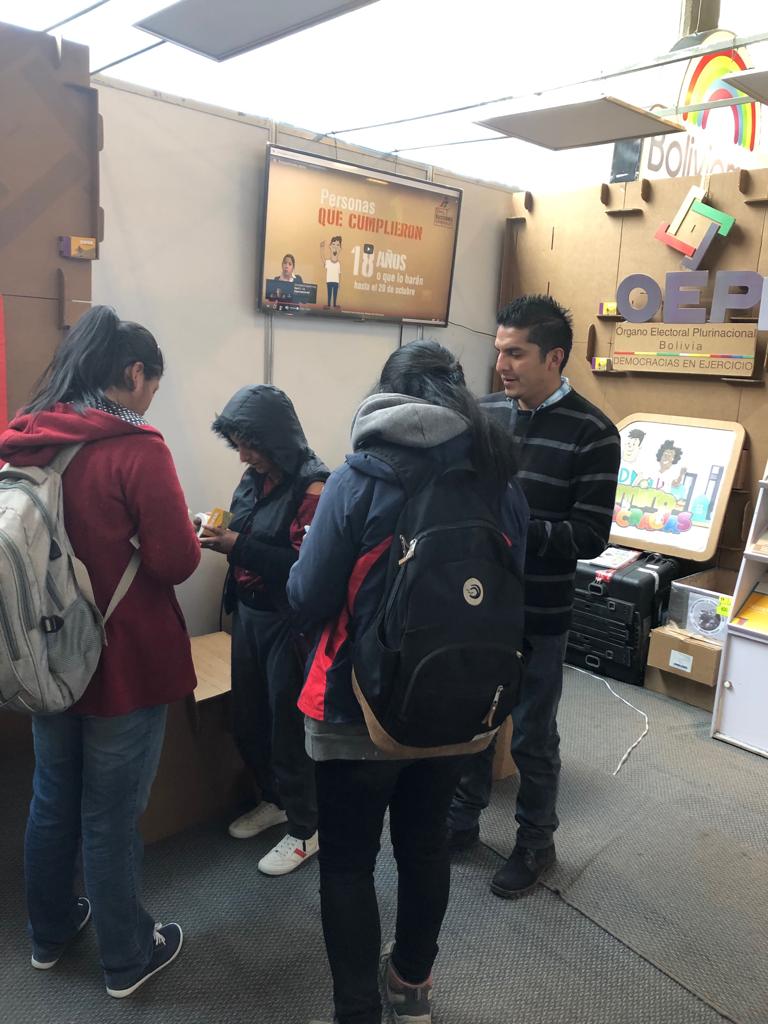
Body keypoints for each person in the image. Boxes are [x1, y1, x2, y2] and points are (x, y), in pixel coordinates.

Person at [287, 341, 528, 1024]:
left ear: (387, 395)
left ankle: (357, 1010)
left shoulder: (359, 477)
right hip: (460, 703)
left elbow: (307, 595)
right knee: (425, 846)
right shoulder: (501, 481)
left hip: (356, 705)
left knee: (348, 862)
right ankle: (411, 988)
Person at [0, 305, 200, 996]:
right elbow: (175, 561)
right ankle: (126, 958)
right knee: (110, 817)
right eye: (152, 386)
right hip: (122, 662)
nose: (150, 401)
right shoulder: (137, 450)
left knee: (52, 798)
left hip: (44, 657)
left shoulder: (27, 437)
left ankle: (50, 934)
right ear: (134, 372)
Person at [447, 295, 620, 899]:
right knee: (472, 720)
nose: (501, 365)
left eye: (516, 353)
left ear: (554, 357)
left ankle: (535, 842)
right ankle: (462, 819)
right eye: (499, 351)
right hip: (478, 604)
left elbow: (590, 536)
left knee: (532, 736)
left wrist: (515, 533)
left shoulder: (595, 433)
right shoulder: (484, 413)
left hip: (541, 612)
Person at [202, 385, 328, 875]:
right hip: (249, 613)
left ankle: (306, 827)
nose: (243, 456)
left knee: (287, 726)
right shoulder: (254, 477)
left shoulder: (314, 486)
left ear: (276, 438)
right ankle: (275, 800)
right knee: (248, 718)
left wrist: (234, 544)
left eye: (250, 445)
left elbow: (304, 565)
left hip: (287, 620)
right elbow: (243, 527)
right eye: (236, 445)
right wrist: (216, 530)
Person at [320, 235, 342, 309]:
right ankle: (329, 305)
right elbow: (322, 257)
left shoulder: (338, 263)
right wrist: (321, 248)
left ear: (340, 248)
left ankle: (334, 305)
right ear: (330, 246)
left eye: (338, 245)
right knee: (329, 293)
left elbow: (339, 274)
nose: (335, 247)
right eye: (333, 244)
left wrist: (339, 283)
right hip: (329, 281)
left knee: (335, 294)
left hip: (336, 281)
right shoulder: (328, 262)